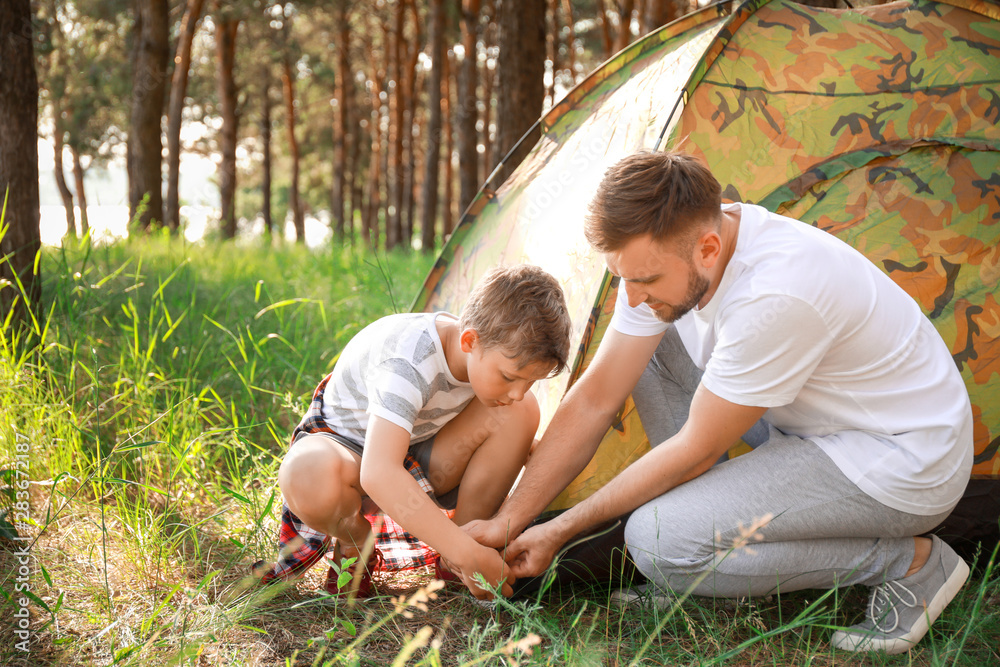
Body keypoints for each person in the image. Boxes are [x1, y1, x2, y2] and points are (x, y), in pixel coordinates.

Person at [465, 151, 973, 653]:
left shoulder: (776, 293)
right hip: (804, 422)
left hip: (901, 460)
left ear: (708, 248)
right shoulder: (664, 258)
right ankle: (715, 568)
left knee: (656, 540)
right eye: (624, 277)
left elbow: (696, 449)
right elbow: (597, 398)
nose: (633, 295)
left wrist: (560, 529)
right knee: (655, 340)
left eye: (643, 280)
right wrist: (511, 521)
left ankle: (911, 563)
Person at [269, 264, 572, 600]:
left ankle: (462, 551)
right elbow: (379, 471)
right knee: (307, 473)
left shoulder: (488, 366)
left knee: (523, 411)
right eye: (510, 377)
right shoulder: (409, 361)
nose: (517, 391)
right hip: (350, 452)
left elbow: (492, 417)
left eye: (531, 381)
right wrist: (465, 554)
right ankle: (357, 542)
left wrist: (525, 446)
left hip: (418, 452)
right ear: (470, 340)